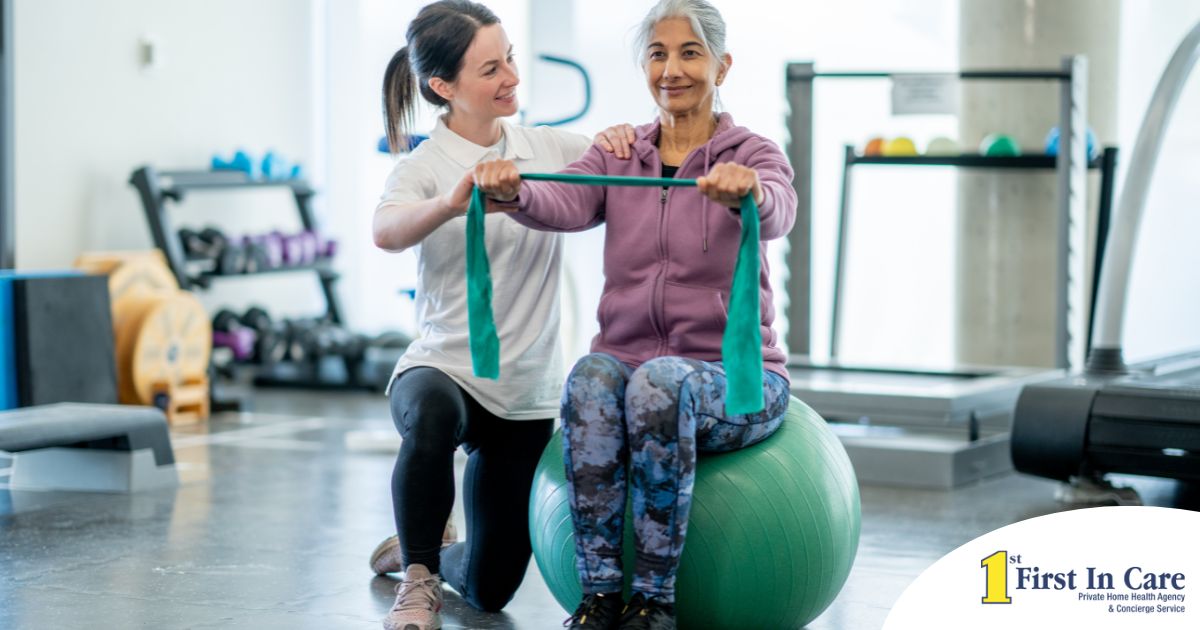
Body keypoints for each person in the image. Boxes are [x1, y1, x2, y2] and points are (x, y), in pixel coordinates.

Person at [472, 1, 796, 628]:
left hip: (736, 383)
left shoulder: (752, 153)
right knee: (593, 376)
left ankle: (654, 604)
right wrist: (514, 191)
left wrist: (748, 191)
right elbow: (561, 196)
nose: (672, 68)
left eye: (690, 52)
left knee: (657, 385)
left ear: (722, 65)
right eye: (658, 53)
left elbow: (781, 208)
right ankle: (598, 598)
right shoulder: (619, 154)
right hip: (633, 371)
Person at [371, 2, 634, 629]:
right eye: (491, 68)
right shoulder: (423, 167)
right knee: (430, 416)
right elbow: (385, 230)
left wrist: (627, 140)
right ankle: (418, 577)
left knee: (491, 590)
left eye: (510, 57)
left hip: (523, 391)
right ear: (444, 87)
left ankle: (423, 551)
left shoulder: (548, 147)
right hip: (445, 368)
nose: (512, 76)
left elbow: (621, 163)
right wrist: (449, 203)